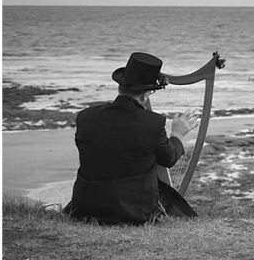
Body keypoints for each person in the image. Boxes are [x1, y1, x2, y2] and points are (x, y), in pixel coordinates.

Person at [64, 52, 199, 224]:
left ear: (120, 87)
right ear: (145, 95)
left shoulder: (85, 116)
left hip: (85, 205)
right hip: (131, 210)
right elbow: (169, 158)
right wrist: (177, 134)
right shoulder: (153, 123)